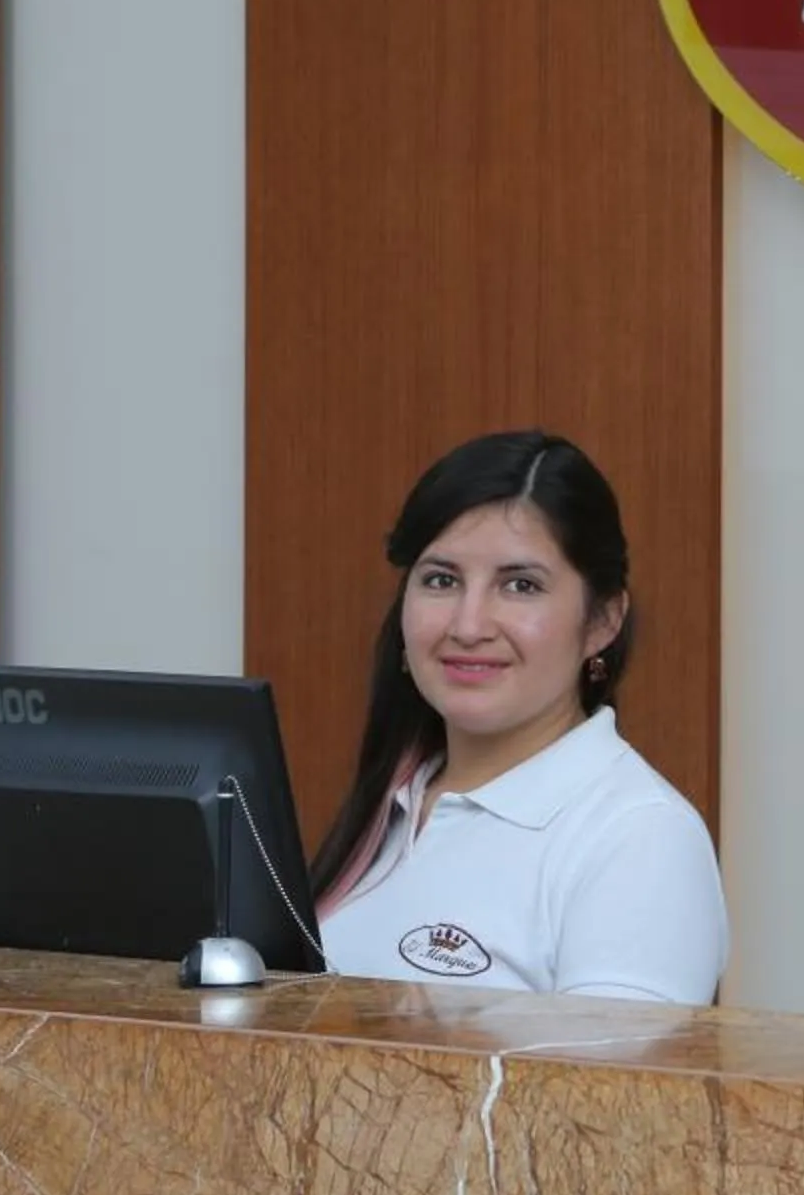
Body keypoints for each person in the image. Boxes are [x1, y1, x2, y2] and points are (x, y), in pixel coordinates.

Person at [308, 430, 727, 1003]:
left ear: (603, 621)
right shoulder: (395, 802)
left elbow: (612, 1066)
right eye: (441, 580)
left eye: (520, 585)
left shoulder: (641, 838)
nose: (468, 626)